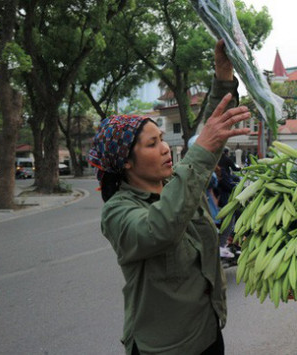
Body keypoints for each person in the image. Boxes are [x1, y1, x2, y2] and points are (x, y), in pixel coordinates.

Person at [88, 39, 251, 355]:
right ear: (125, 161)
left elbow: (212, 137)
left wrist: (223, 72)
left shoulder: (176, 185)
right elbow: (160, 227)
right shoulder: (118, 213)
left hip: (208, 331)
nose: (165, 148)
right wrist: (201, 149)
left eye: (162, 139)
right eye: (152, 144)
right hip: (164, 348)